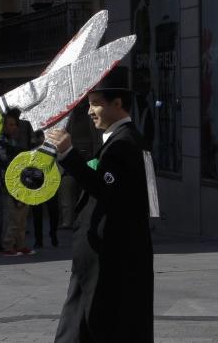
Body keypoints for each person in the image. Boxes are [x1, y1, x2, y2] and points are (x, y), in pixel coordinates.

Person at [46, 68, 154, 342]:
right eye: (88, 104)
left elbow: (104, 188)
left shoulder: (124, 144)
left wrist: (69, 154)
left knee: (99, 327)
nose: (90, 111)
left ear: (118, 104)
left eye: (96, 104)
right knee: (79, 327)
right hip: (99, 261)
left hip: (109, 264)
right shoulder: (119, 141)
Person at [0, 113, 35, 257]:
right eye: (10, 125)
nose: (13, 128)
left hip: (18, 184)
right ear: (3, 126)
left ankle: (19, 244)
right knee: (11, 217)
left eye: (15, 125)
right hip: (6, 185)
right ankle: (7, 245)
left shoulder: (13, 143)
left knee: (21, 217)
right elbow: (6, 165)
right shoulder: (1, 144)